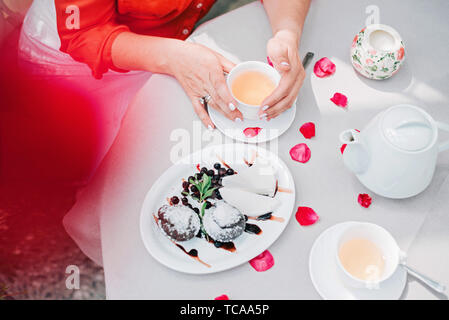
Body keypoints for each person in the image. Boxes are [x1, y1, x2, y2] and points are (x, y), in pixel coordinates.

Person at [18, 0, 310, 264]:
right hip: (78, 65)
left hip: (172, 51)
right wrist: (172, 58)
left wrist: (286, 32)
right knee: (116, 180)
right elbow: (83, 34)